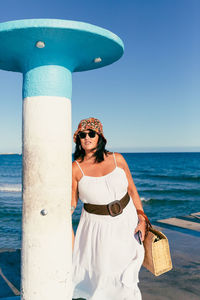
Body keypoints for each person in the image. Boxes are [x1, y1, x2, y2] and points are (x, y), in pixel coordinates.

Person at [71, 117, 147, 300]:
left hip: (126, 223)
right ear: (78, 139)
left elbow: (132, 191)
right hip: (96, 229)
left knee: (125, 275)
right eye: (82, 135)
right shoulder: (75, 168)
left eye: (91, 134)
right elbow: (71, 204)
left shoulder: (117, 159)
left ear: (100, 137)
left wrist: (142, 218)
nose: (87, 137)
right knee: (102, 278)